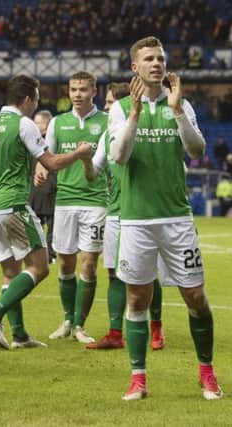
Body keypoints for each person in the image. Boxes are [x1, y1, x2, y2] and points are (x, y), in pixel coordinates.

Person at [109, 36, 222, 400]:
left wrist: (175, 110)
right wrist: (136, 115)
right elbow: (121, 156)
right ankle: (138, 378)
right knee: (138, 299)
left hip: (176, 218)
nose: (156, 63)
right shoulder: (120, 108)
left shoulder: (182, 105)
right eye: (148, 59)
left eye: (160, 58)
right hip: (137, 220)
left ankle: (207, 373)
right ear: (134, 67)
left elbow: (197, 150)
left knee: (195, 296)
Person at [0, 75, 93, 350]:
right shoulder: (23, 124)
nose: (36, 104)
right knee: (39, 268)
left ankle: (18, 335)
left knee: (11, 272)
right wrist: (80, 154)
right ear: (28, 100)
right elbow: (51, 162)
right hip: (13, 205)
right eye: (37, 99)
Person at [83, 82, 165, 351]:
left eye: (108, 103)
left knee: (148, 273)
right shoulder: (106, 137)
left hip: (144, 213)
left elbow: (177, 170)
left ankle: (156, 327)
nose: (105, 108)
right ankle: (115, 332)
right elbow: (93, 172)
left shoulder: (148, 132)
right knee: (114, 274)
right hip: (116, 213)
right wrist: (84, 160)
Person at [39, 71, 108, 344]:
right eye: (73, 89)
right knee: (65, 264)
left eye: (82, 89)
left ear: (94, 91)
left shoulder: (104, 122)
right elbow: (47, 155)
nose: (77, 94)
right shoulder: (58, 122)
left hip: (95, 201)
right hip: (65, 201)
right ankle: (68, 319)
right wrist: (40, 169)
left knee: (88, 264)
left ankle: (80, 324)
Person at [30, 110, 56, 264]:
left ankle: (50, 255)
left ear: (46, 125)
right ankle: (37, 254)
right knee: (35, 225)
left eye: (38, 123)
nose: (35, 125)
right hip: (35, 191)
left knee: (53, 226)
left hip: (51, 189)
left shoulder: (52, 142)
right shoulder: (31, 141)